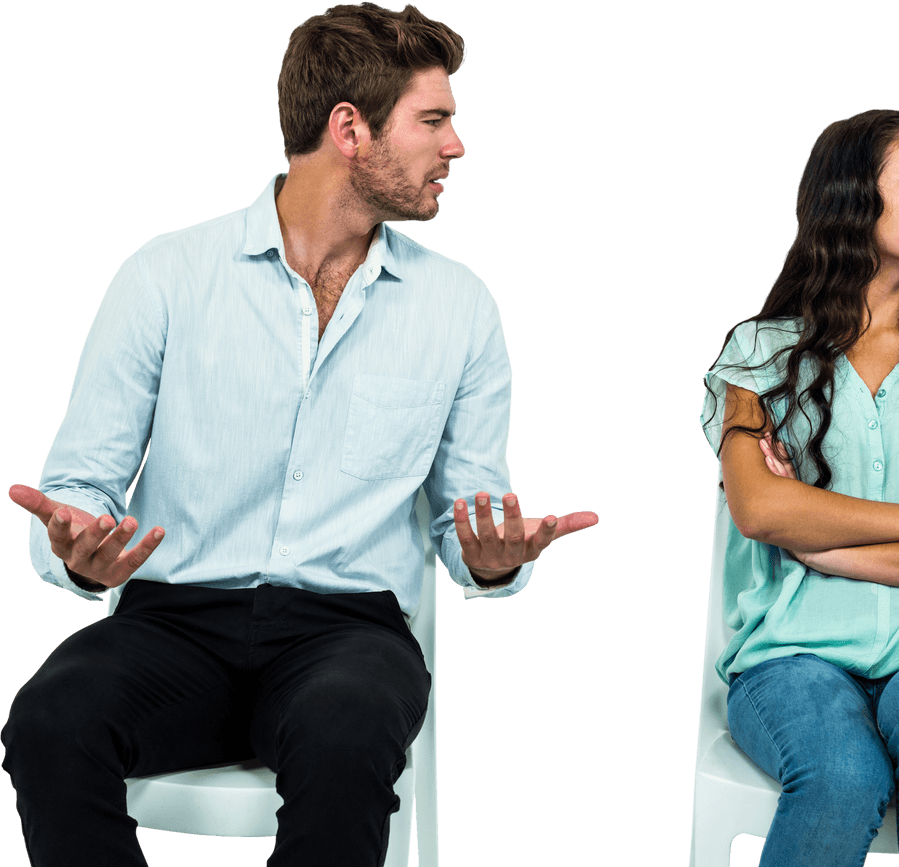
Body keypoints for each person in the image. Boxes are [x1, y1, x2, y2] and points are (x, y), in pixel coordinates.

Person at [1, 4, 597, 866]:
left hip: (348, 632)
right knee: (48, 721)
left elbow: (465, 524)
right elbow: (81, 487)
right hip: (173, 622)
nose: (456, 146)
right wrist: (75, 547)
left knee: (347, 734)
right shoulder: (165, 276)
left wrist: (498, 554)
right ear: (349, 128)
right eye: (434, 121)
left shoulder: (459, 305)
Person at [699, 109, 899, 866]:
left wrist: (833, 552)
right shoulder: (759, 355)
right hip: (791, 656)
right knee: (843, 772)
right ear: (853, 201)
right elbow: (762, 507)